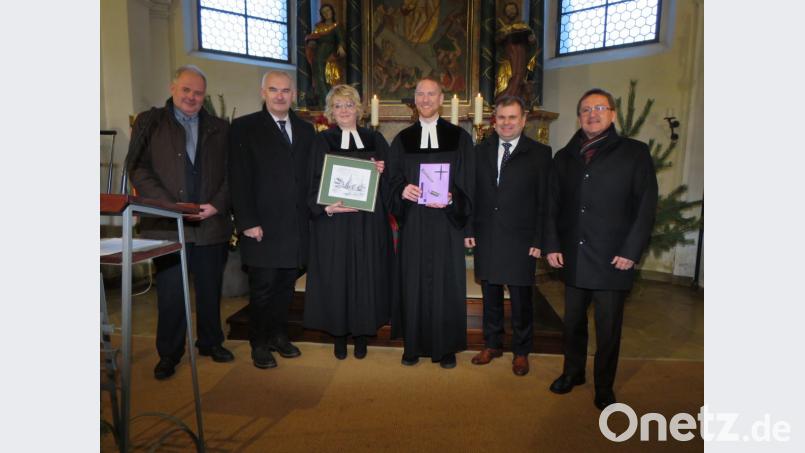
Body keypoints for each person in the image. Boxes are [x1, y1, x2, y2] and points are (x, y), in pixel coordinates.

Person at [544, 88, 658, 410]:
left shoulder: (634, 153)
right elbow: (551, 205)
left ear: (612, 115)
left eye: (599, 108)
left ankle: (604, 385)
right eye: (585, 110)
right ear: (579, 117)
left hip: (614, 258)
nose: (592, 114)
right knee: (573, 323)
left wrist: (632, 251)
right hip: (573, 256)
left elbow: (646, 206)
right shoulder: (564, 157)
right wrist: (551, 244)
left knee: (608, 329)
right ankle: (573, 372)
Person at [127, 65, 234, 380]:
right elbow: (137, 167)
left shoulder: (220, 127)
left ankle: (211, 342)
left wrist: (217, 204)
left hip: (209, 223)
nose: (192, 97)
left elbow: (233, 173)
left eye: (198, 92)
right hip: (166, 224)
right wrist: (168, 205)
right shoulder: (150, 122)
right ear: (173, 88)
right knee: (171, 292)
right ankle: (169, 353)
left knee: (210, 289)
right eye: (186, 90)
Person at [228, 71, 316, 369]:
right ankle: (259, 343)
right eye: (274, 90)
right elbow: (238, 179)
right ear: (263, 92)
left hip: (295, 227)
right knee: (262, 290)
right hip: (261, 227)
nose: (280, 95)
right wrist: (247, 221)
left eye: (286, 90)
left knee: (285, 289)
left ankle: (279, 336)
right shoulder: (244, 128)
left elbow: (314, 175)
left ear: (294, 95)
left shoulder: (306, 130)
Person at [387, 77, 475, 369]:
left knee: (446, 283)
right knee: (411, 281)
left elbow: (469, 181)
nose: (425, 99)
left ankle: (445, 346)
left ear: (441, 99)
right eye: (420, 94)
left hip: (446, 225)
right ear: (415, 100)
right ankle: (412, 345)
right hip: (414, 222)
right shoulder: (402, 140)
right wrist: (402, 190)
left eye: (431, 94)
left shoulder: (460, 138)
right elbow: (391, 180)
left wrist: (452, 197)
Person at [464, 95, 552, 376]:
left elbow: (545, 202)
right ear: (495, 120)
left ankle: (522, 351)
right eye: (501, 117)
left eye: (512, 117)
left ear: (523, 120)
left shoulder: (539, 153)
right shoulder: (480, 151)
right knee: (490, 295)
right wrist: (468, 229)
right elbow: (471, 193)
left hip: (522, 239)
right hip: (487, 234)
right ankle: (492, 344)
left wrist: (540, 240)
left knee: (521, 299)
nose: (506, 123)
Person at [303, 85, 393, 360]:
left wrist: (382, 170)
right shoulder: (322, 141)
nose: (344, 110)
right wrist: (325, 207)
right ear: (331, 111)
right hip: (335, 225)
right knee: (337, 277)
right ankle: (339, 335)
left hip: (368, 221)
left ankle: (362, 334)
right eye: (338, 106)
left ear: (358, 109)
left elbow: (392, 181)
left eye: (349, 105)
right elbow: (312, 182)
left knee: (366, 276)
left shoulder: (375, 139)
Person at [495, 1, 537, 102]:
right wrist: (503, 35)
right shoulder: (502, 28)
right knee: (510, 75)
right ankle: (506, 95)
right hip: (509, 54)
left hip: (521, 52)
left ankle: (516, 95)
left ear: (517, 11)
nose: (511, 12)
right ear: (505, 13)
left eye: (512, 9)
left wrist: (531, 39)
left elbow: (533, 41)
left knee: (519, 74)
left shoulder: (524, 26)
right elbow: (496, 41)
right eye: (508, 10)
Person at [305, 3, 345, 107]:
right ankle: (323, 102)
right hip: (318, 54)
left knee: (329, 78)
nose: (327, 13)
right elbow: (313, 38)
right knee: (319, 78)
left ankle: (329, 102)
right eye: (324, 12)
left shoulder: (336, 26)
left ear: (332, 11)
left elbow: (341, 39)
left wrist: (341, 46)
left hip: (329, 54)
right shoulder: (319, 27)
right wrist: (311, 42)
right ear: (322, 15)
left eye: (328, 11)